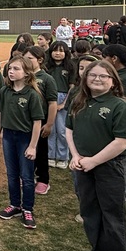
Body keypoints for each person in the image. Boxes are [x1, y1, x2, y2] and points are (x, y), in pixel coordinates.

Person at [66, 60, 126, 251]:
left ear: (113, 80)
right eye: (92, 75)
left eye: (103, 76)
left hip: (109, 167)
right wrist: (76, 157)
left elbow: (122, 141)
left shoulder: (119, 105)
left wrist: (93, 161)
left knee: (111, 213)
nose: (97, 79)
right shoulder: (79, 101)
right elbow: (69, 130)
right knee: (90, 211)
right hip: (83, 164)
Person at [0, 57, 44, 229]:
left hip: (25, 138)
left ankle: (27, 208)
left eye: (16, 69)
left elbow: (37, 122)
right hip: (8, 136)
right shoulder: (5, 91)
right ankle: (15, 205)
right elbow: (0, 114)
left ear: (26, 73)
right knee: (12, 174)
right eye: (10, 68)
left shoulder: (32, 94)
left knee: (27, 176)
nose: (11, 71)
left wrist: (32, 146)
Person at [100, 44, 126, 202]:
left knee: (124, 156)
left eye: (104, 57)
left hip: (121, 124)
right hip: (111, 120)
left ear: (113, 59)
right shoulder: (115, 74)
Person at [22, 46, 58, 196]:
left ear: (40, 60)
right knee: (25, 150)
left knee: (41, 151)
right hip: (24, 121)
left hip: (41, 120)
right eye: (25, 58)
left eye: (30, 58)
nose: (27, 61)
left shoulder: (47, 79)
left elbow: (52, 103)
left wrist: (49, 124)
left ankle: (43, 179)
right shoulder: (22, 76)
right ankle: (25, 176)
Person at [44, 41, 74, 169]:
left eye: (61, 51)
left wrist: (63, 103)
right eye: (55, 50)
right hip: (49, 99)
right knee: (50, 129)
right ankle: (50, 155)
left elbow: (72, 87)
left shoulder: (70, 67)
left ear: (66, 53)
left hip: (63, 98)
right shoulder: (47, 67)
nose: (58, 53)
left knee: (62, 130)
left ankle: (62, 157)